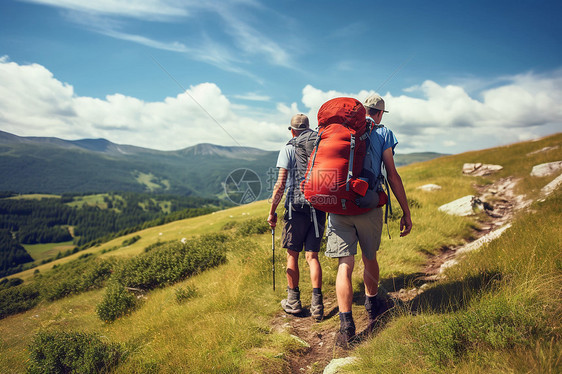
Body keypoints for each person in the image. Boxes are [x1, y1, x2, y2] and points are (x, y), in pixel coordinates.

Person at [325, 94, 413, 347]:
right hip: (368, 203)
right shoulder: (384, 133)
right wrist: (406, 211)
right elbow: (392, 174)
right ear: (381, 113)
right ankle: (374, 309)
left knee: (345, 263)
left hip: (339, 205)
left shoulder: (340, 129)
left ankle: (346, 326)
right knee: (369, 257)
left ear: (361, 109)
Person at [267, 114, 327, 321]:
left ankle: (293, 301)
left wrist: (272, 211)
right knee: (312, 257)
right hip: (319, 205)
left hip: (295, 208)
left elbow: (280, 184)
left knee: (292, 255)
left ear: (292, 131)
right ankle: (317, 305)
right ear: (309, 129)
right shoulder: (318, 146)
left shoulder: (288, 148)